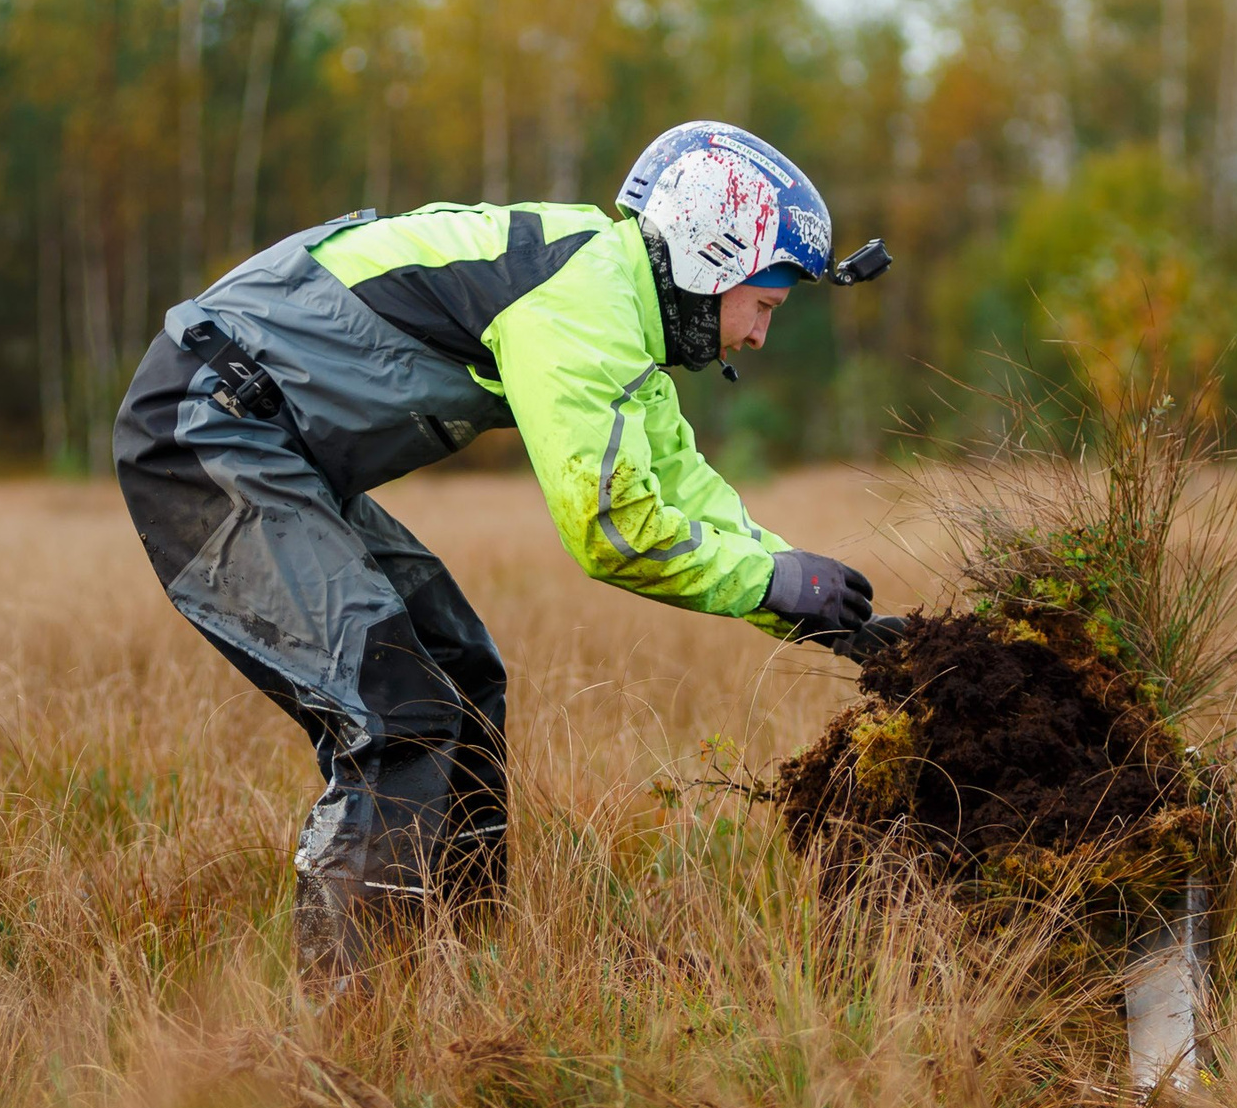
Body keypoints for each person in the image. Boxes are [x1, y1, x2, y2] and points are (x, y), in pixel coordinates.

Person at [113, 121, 903, 980]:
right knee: (396, 710)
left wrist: (817, 614)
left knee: (460, 670)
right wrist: (774, 583)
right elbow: (617, 531)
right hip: (203, 430)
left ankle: (467, 960)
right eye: (766, 304)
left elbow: (684, 489)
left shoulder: (611, 299)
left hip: (274, 446)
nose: (758, 335)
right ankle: (347, 1014)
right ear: (714, 256)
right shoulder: (580, 307)